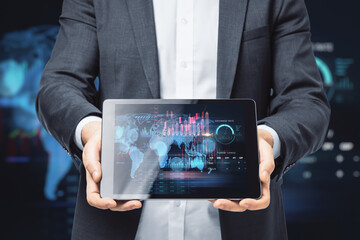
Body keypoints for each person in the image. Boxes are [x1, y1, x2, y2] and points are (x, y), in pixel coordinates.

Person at [36, 0, 330, 239]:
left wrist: (265, 138)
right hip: (113, 224)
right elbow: (60, 85)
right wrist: (91, 129)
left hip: (244, 225)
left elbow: (306, 101)